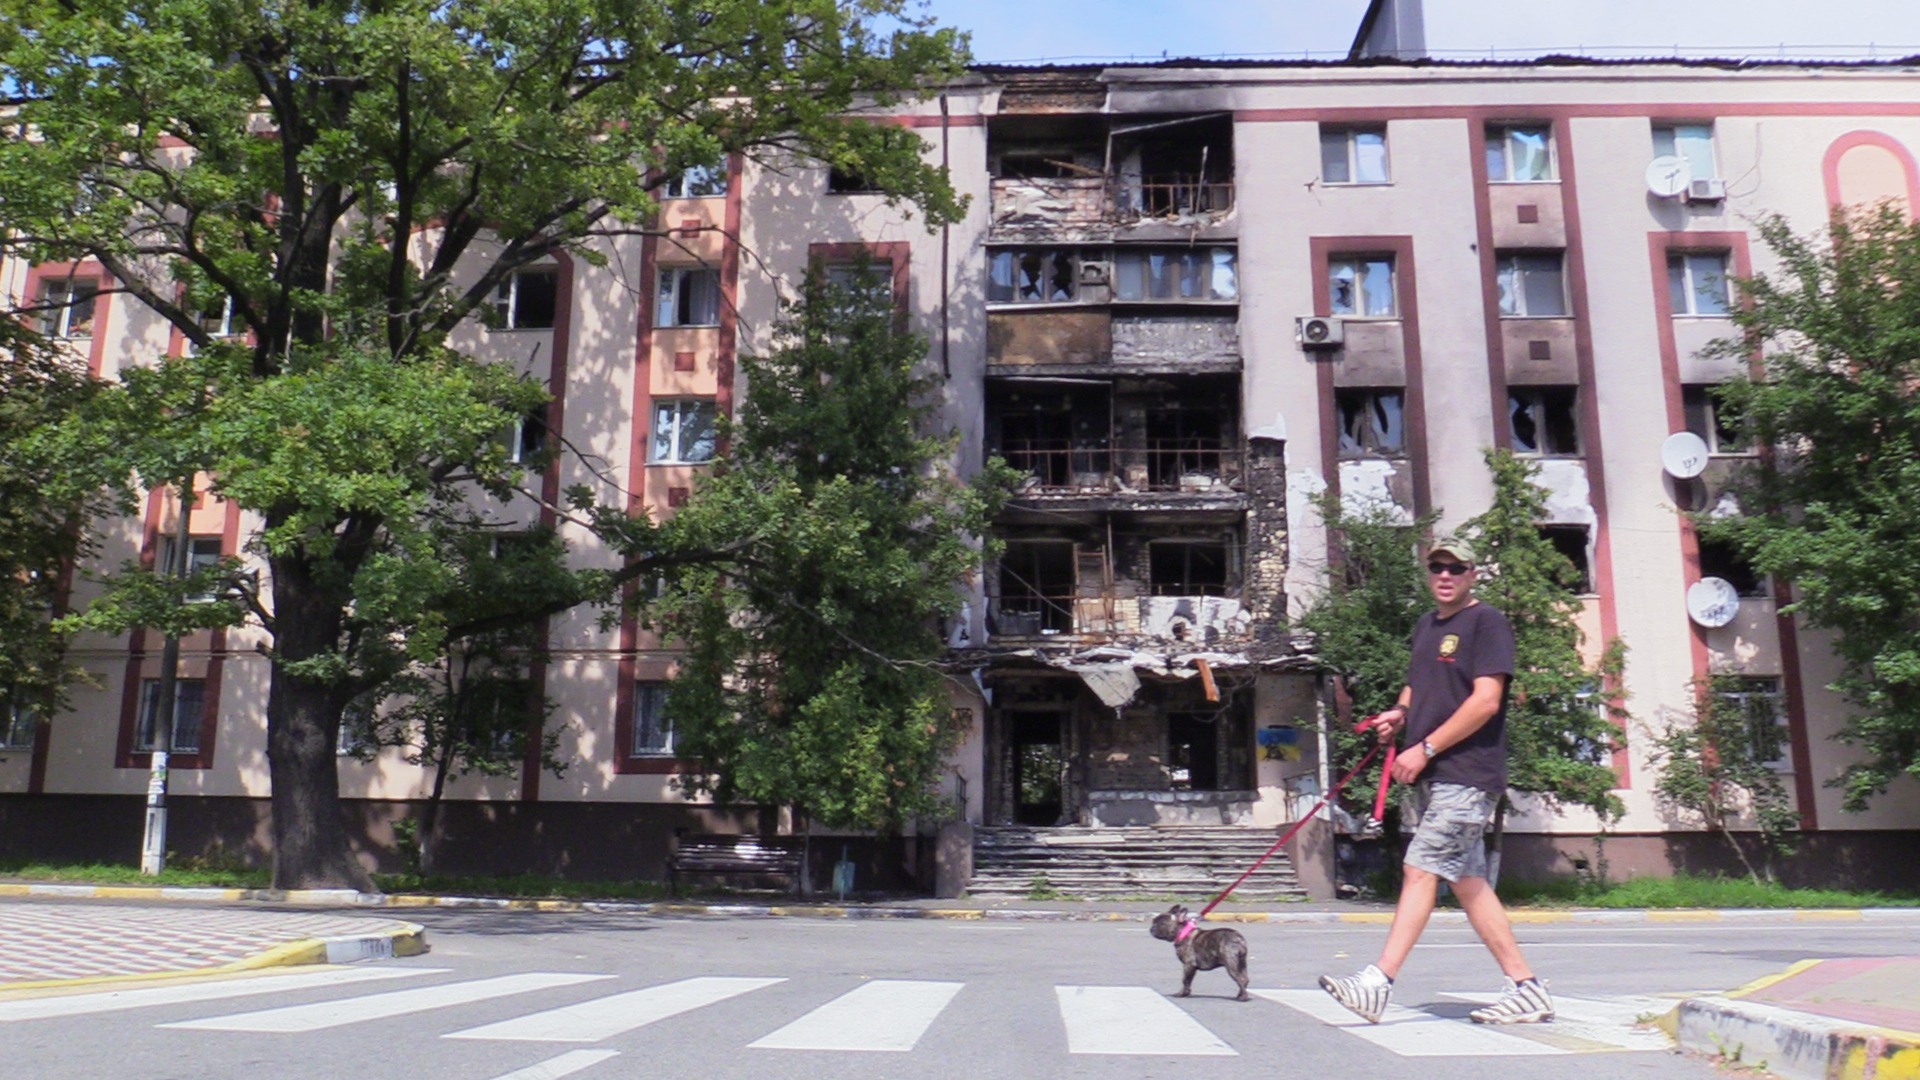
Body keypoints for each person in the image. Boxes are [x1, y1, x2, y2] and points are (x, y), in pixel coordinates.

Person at [1318, 537, 1554, 1025]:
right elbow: (1419, 684)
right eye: (1437, 567)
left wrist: (1425, 748)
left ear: (1472, 574)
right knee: (1469, 883)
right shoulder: (1428, 625)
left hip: (1467, 773)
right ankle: (1526, 988)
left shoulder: (1486, 622)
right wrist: (1400, 714)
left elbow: (1486, 700)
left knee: (1420, 869)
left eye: (1456, 568)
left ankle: (1378, 983)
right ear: (1428, 573)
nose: (1445, 575)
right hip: (1437, 773)